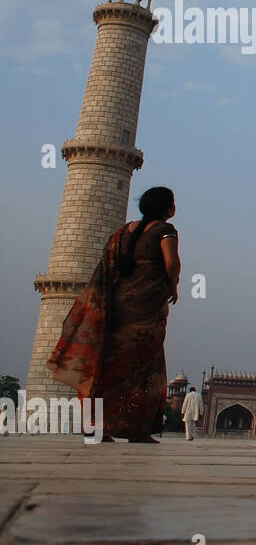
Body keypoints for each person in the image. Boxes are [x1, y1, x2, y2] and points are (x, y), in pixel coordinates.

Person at [46, 187, 180, 443]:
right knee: (142, 369)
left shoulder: (123, 231)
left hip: (115, 308)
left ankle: (94, 427)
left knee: (105, 365)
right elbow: (171, 264)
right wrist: (173, 284)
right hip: (144, 311)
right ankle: (136, 429)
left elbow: (110, 264)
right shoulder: (165, 231)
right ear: (168, 209)